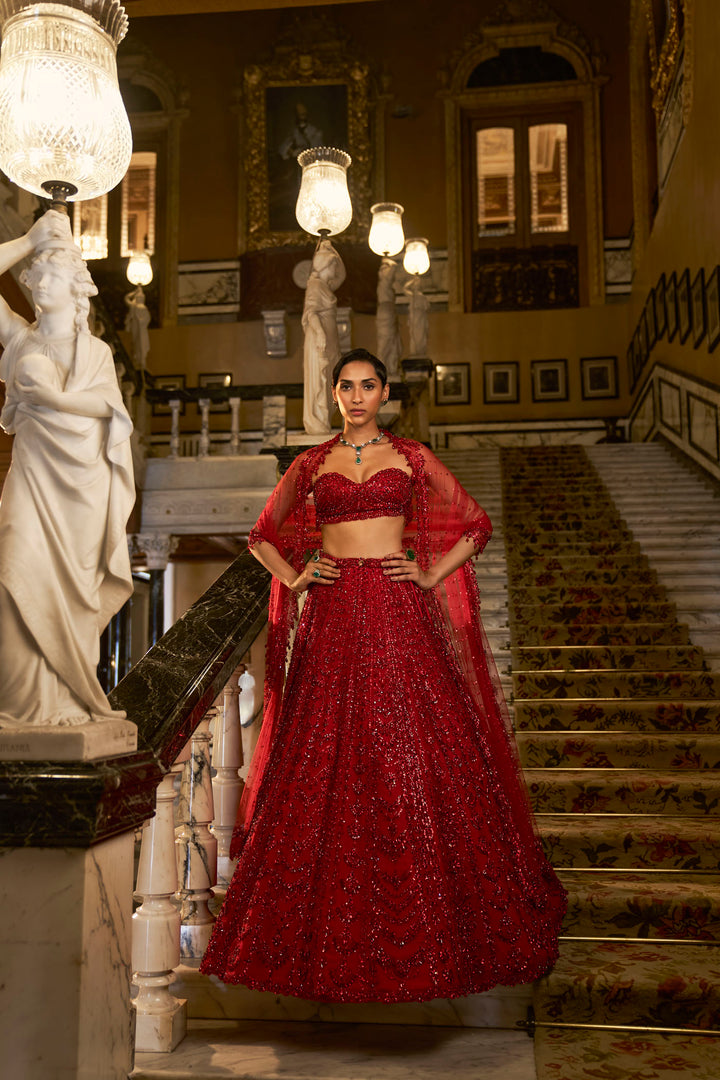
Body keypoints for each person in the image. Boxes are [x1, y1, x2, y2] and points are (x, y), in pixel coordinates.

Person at [202, 346, 566, 1002]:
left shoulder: (412, 457)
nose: (358, 396)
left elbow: (475, 525)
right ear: (334, 393)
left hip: (399, 613)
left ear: (386, 391)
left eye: (369, 385)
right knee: (322, 759)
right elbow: (261, 534)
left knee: (411, 752)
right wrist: (297, 575)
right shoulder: (312, 463)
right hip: (335, 613)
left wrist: (427, 573)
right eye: (347, 386)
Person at [0, 209, 134, 727]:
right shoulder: (20, 341)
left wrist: (54, 398)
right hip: (31, 480)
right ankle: (18, 706)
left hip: (80, 488)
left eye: (49, 274)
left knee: (68, 595)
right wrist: (28, 240)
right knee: (13, 564)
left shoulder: (95, 352)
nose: (36, 283)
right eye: (34, 275)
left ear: (75, 286)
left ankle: (64, 699)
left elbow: (110, 411)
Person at [301, 238, 345, 435]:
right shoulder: (315, 286)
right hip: (319, 339)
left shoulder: (324, 286)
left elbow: (342, 274)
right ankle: (317, 421)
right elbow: (311, 312)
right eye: (333, 266)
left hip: (328, 339)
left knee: (329, 380)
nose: (335, 271)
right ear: (326, 265)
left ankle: (323, 420)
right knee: (320, 381)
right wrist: (319, 334)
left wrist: (327, 244)